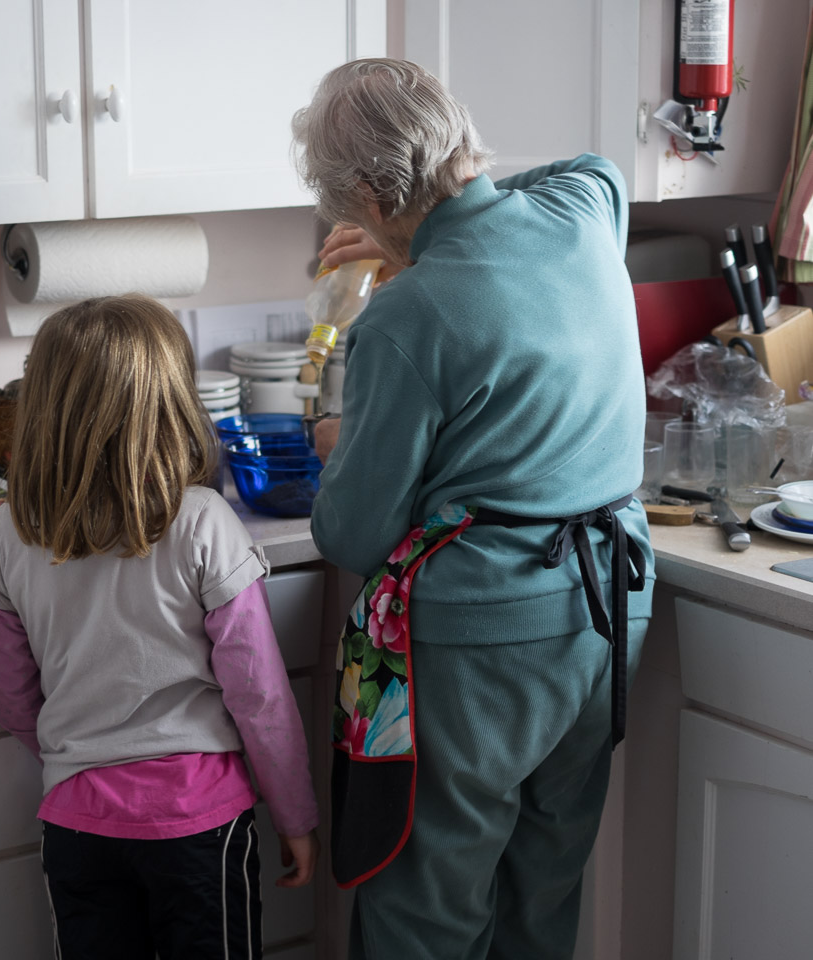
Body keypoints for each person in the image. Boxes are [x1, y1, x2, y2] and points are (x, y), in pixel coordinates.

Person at [291, 59, 655, 960]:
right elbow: (597, 167)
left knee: (430, 900)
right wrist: (448, 195)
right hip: (609, 605)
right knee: (545, 880)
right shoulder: (582, 219)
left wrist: (345, 442)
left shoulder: (408, 315)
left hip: (485, 643)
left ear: (372, 194)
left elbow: (352, 532)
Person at [0, 295, 319, 960]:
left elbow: (12, 698)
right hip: (198, 824)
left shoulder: (8, 533)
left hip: (76, 824)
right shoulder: (204, 522)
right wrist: (296, 817)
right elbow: (260, 697)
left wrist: (84, 758)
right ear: (171, 403)